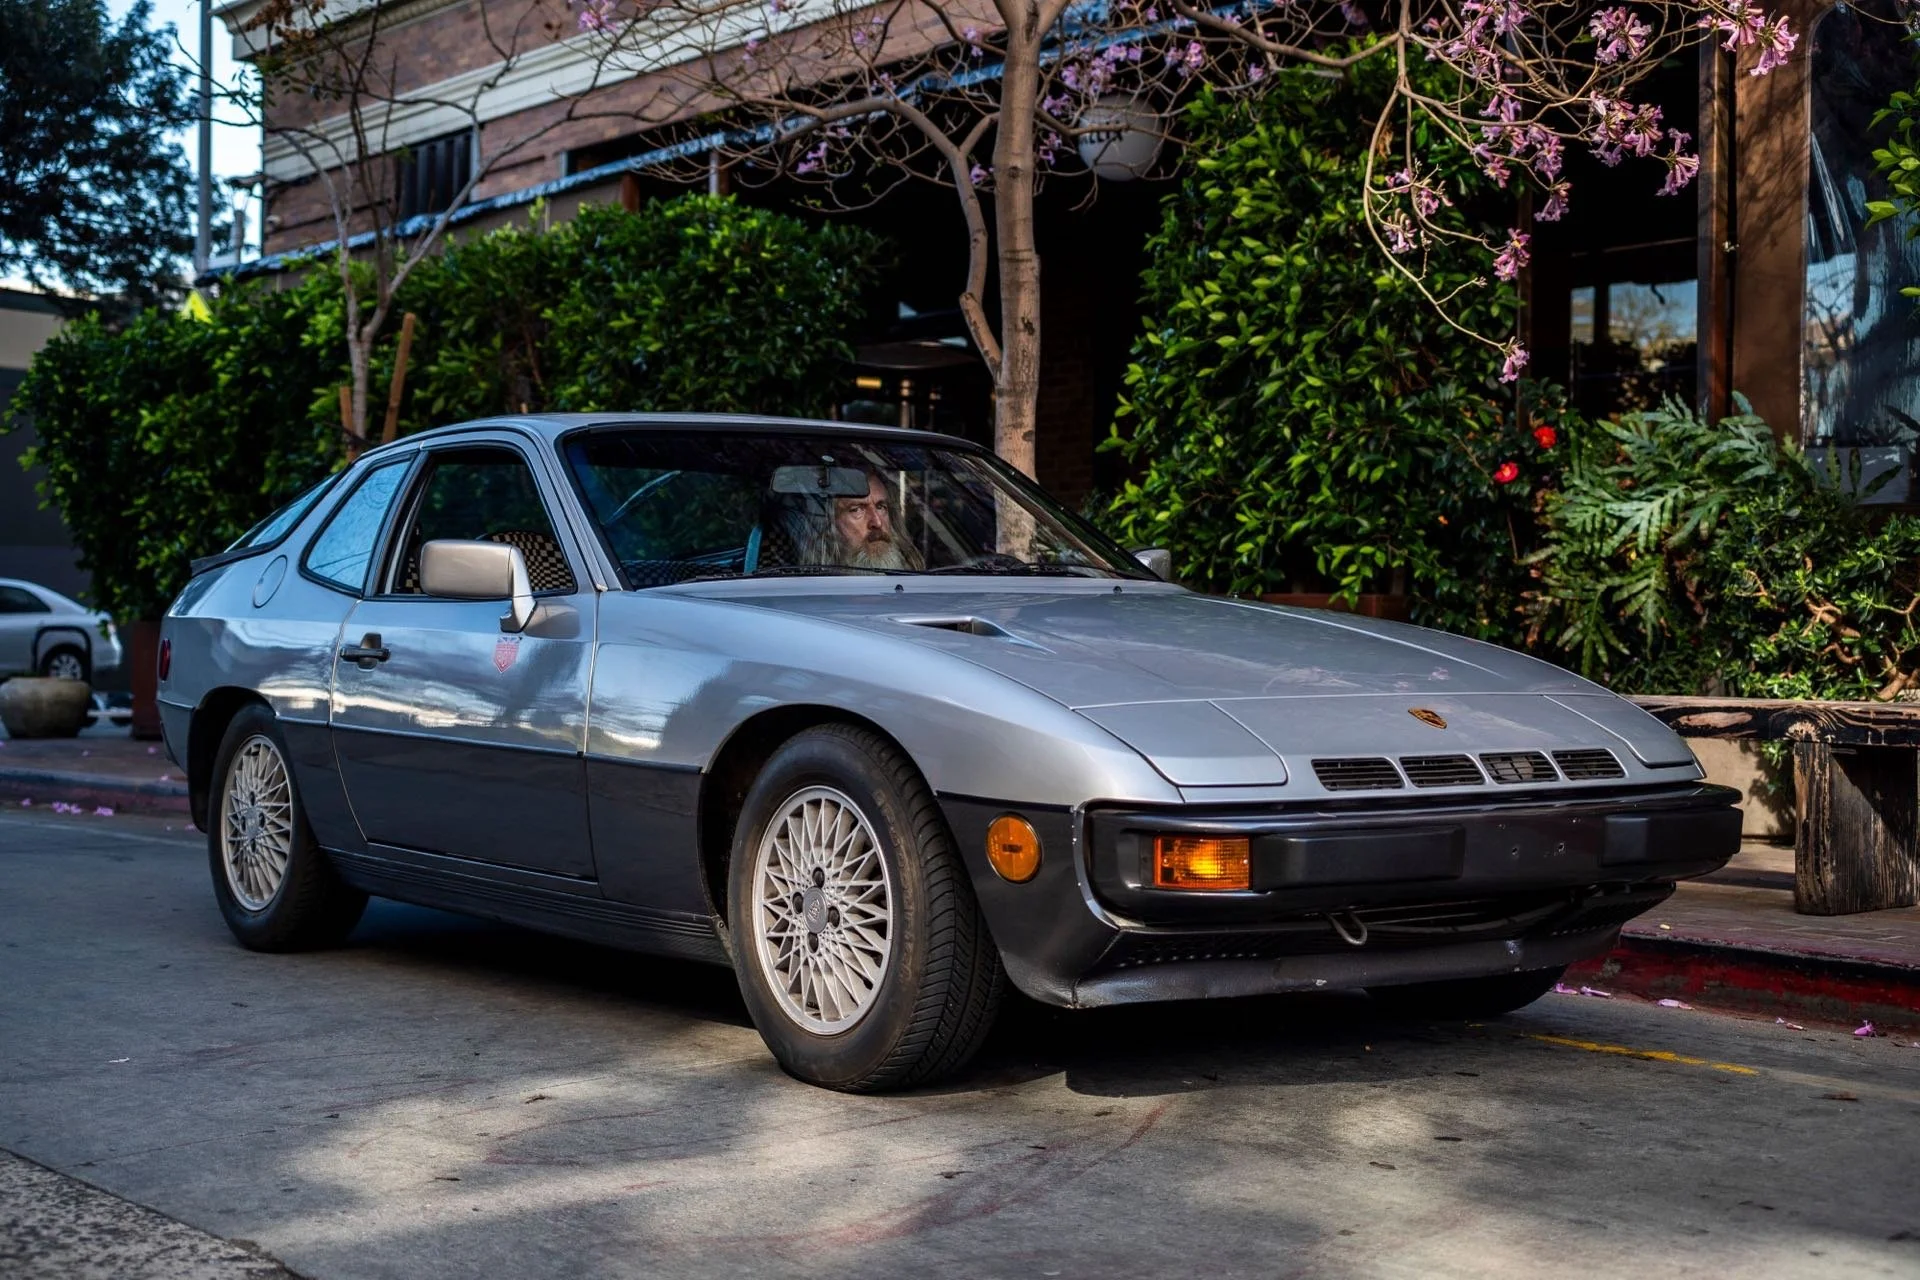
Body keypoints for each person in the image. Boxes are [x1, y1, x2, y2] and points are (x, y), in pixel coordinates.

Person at [782, 468, 924, 571]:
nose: (877, 522)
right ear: (828, 525)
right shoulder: (809, 594)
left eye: (881, 507)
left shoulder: (919, 587)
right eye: (857, 510)